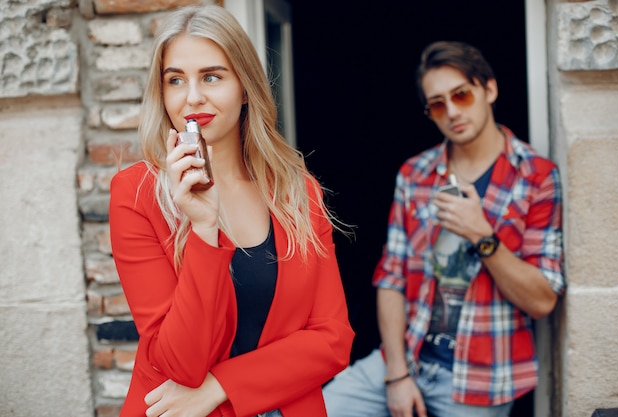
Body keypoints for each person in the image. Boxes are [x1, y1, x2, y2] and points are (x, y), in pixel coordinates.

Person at [109, 5, 354, 417]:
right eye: (175, 80)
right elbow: (179, 363)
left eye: (211, 76)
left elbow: (332, 339)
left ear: (244, 85)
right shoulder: (136, 195)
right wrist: (204, 228)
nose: (192, 97)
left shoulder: (298, 192)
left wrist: (223, 386)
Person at [322, 40, 565, 417]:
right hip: (406, 358)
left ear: (489, 89)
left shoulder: (537, 177)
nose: (452, 112)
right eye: (438, 103)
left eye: (462, 95)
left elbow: (542, 300)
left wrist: (482, 236)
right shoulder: (415, 174)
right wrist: (397, 375)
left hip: (481, 380)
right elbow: (391, 279)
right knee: (320, 408)